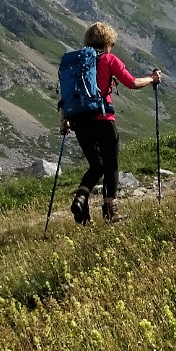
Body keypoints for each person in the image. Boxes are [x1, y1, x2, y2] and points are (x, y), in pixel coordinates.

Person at [61, 22, 161, 224]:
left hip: (79, 121)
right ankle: (110, 211)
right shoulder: (108, 59)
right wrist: (151, 79)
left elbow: (66, 95)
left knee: (96, 165)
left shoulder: (77, 64)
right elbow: (132, 83)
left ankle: (81, 198)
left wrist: (65, 121)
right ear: (108, 42)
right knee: (111, 164)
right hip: (103, 118)